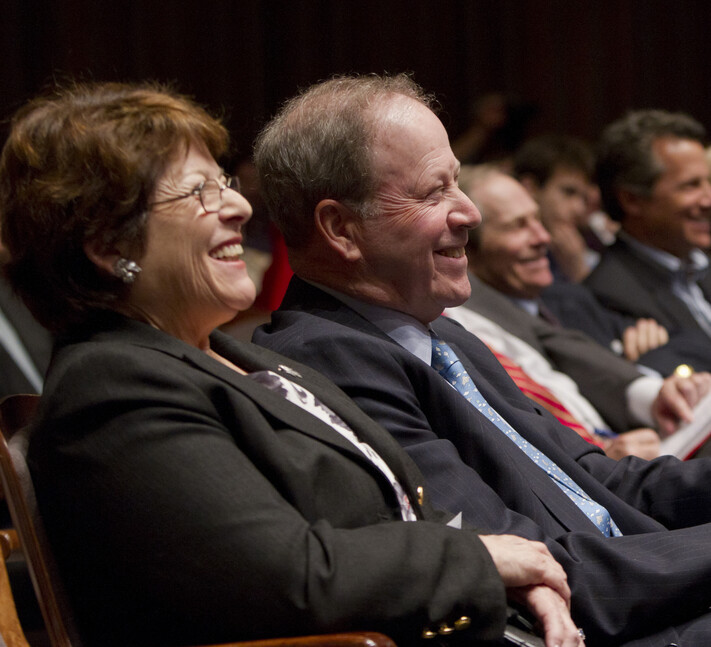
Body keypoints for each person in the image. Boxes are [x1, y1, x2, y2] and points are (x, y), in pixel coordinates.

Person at [0, 82, 580, 647]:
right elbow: (285, 576)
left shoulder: (234, 356)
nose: (239, 206)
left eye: (225, 181)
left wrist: (523, 576)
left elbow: (405, 509)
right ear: (108, 245)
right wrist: (482, 559)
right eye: (199, 192)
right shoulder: (112, 386)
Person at [252, 73, 711, 647]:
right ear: (341, 228)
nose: (469, 212)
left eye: (458, 184)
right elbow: (537, 564)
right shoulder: (327, 365)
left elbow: (601, 482)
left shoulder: (442, 334)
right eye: (432, 192)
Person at [449, 165, 711, 458]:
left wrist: (658, 388)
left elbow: (690, 344)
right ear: (467, 249)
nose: (542, 237)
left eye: (538, 219)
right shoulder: (466, 328)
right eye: (517, 226)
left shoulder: (568, 298)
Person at [585, 109, 711, 343]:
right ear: (632, 200)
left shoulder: (700, 266)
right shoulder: (610, 296)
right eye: (690, 186)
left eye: (708, 182)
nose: (708, 200)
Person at [513, 135, 599, 282]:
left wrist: (579, 270)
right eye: (568, 192)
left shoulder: (582, 249)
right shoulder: (508, 250)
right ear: (531, 188)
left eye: (583, 198)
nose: (579, 209)